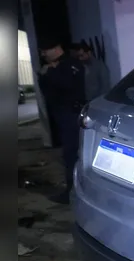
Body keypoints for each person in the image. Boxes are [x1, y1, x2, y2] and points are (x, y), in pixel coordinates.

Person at [37, 39, 86, 205]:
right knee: (68, 154)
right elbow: (47, 91)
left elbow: (67, 85)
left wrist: (49, 73)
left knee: (72, 154)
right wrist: (44, 75)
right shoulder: (54, 67)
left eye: (45, 50)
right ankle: (72, 190)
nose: (43, 54)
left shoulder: (70, 64)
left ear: (57, 48)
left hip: (72, 115)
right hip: (62, 115)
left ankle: (72, 193)